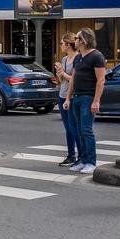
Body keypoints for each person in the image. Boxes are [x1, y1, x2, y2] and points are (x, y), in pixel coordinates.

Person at [62, 28, 106, 174]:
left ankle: (91, 162)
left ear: (84, 41)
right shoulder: (78, 57)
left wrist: (96, 100)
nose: (75, 41)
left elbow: (101, 80)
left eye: (77, 38)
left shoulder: (96, 56)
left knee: (86, 130)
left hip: (88, 97)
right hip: (77, 97)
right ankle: (82, 159)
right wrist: (68, 98)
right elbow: (73, 79)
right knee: (79, 130)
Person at [53, 35, 80, 167]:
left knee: (74, 127)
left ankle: (80, 155)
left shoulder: (77, 58)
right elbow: (61, 80)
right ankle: (71, 155)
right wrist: (59, 74)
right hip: (62, 94)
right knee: (68, 129)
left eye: (61, 43)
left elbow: (75, 80)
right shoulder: (64, 59)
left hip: (73, 96)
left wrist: (63, 74)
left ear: (68, 45)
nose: (60, 45)